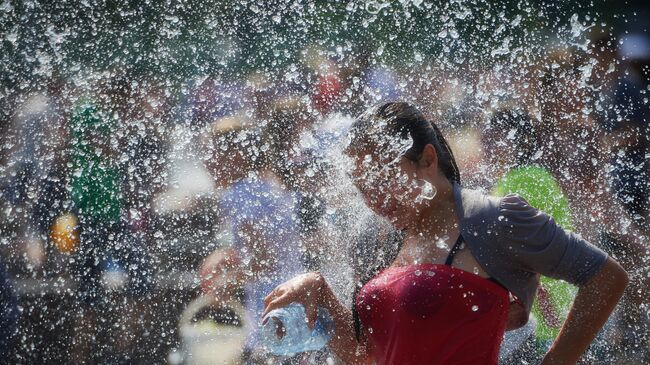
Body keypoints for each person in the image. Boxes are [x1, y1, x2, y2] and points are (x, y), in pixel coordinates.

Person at [262, 102, 629, 365]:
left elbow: (605, 277)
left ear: (428, 159)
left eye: (385, 179)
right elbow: (366, 354)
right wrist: (317, 288)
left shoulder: (492, 218)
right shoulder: (381, 241)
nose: (374, 200)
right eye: (363, 188)